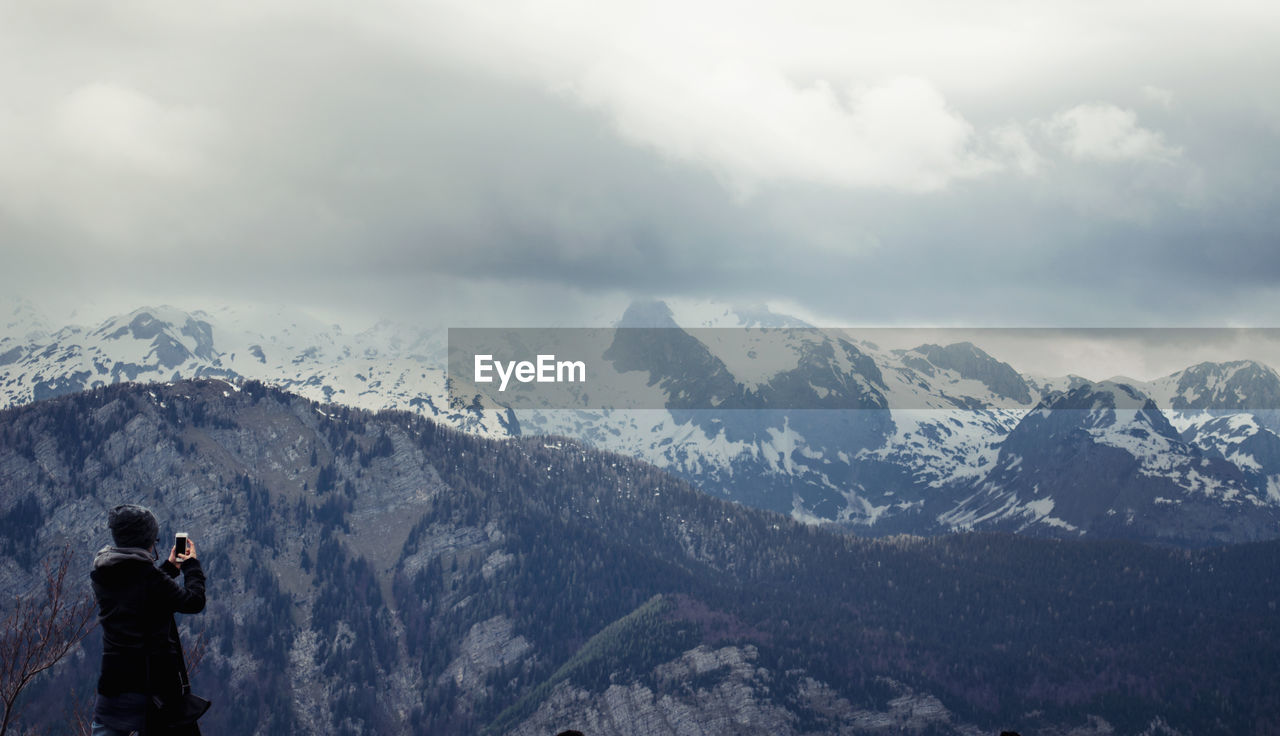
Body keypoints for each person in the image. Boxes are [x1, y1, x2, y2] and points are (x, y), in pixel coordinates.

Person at [90, 505, 206, 736]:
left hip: (112, 689)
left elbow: (139, 593)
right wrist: (191, 565)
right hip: (149, 693)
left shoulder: (103, 573)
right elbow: (193, 602)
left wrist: (169, 568)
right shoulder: (148, 577)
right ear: (147, 540)